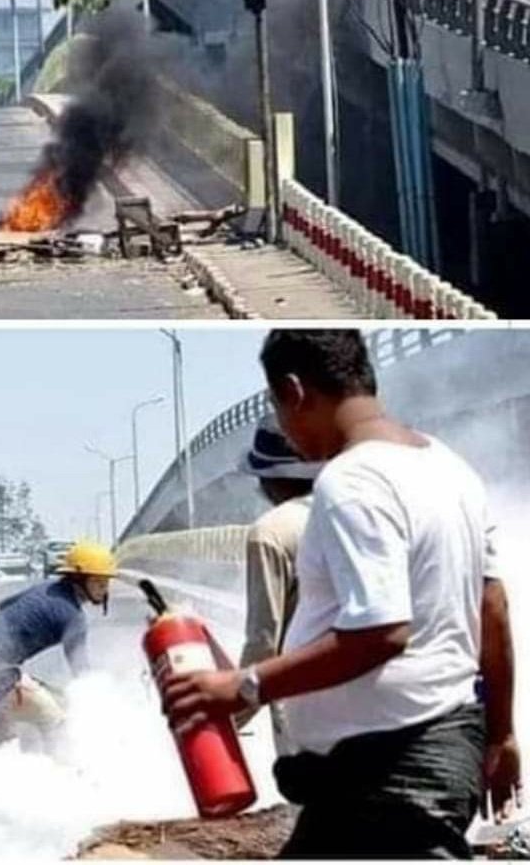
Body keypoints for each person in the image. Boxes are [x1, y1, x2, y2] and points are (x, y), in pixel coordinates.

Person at [163, 329, 521, 859]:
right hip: (406, 762)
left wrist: (244, 685)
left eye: (277, 410)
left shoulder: (352, 481)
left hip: (396, 775)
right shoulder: (448, 466)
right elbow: (491, 607)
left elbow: (380, 633)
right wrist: (501, 734)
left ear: (293, 391)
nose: (285, 430)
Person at [0, 540, 115, 747]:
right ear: (80, 579)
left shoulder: (47, 588)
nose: (105, 590)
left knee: (5, 743)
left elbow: (5, 605)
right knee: (56, 720)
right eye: (100, 583)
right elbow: (81, 670)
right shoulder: (73, 616)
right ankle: (65, 772)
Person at [235, 415, 321, 753]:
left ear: (270, 479)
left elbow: (264, 643)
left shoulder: (271, 531)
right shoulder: (352, 509)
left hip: (304, 700)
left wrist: (232, 714)